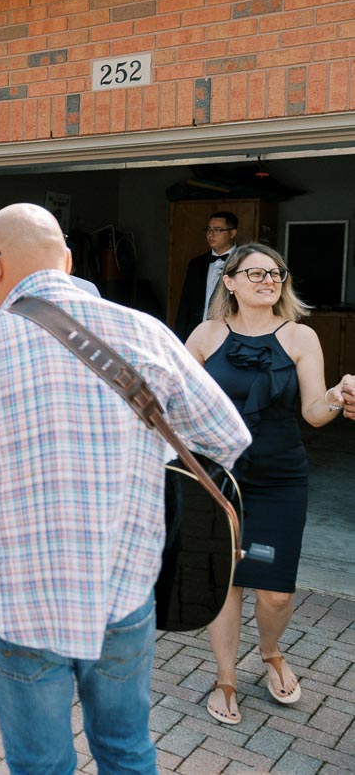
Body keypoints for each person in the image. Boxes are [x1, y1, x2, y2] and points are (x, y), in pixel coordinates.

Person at [0, 203, 252, 774]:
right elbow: (226, 437)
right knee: (127, 749)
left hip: (18, 598)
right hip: (124, 587)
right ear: (66, 261)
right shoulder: (145, 332)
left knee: (40, 763)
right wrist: (134, 455)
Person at [184, 243, 352, 726]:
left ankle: (271, 650)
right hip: (218, 477)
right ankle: (225, 677)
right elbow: (177, 399)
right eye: (254, 272)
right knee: (226, 582)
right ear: (230, 282)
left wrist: (339, 397)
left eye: (276, 272)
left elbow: (314, 413)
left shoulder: (300, 336)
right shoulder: (206, 333)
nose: (268, 279)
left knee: (274, 590)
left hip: (279, 478)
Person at [175, 210, 238, 339]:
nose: (211, 234)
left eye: (217, 230)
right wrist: (179, 337)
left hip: (229, 336)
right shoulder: (196, 263)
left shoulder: (245, 261)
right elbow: (185, 304)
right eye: (208, 229)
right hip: (196, 334)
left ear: (232, 233)